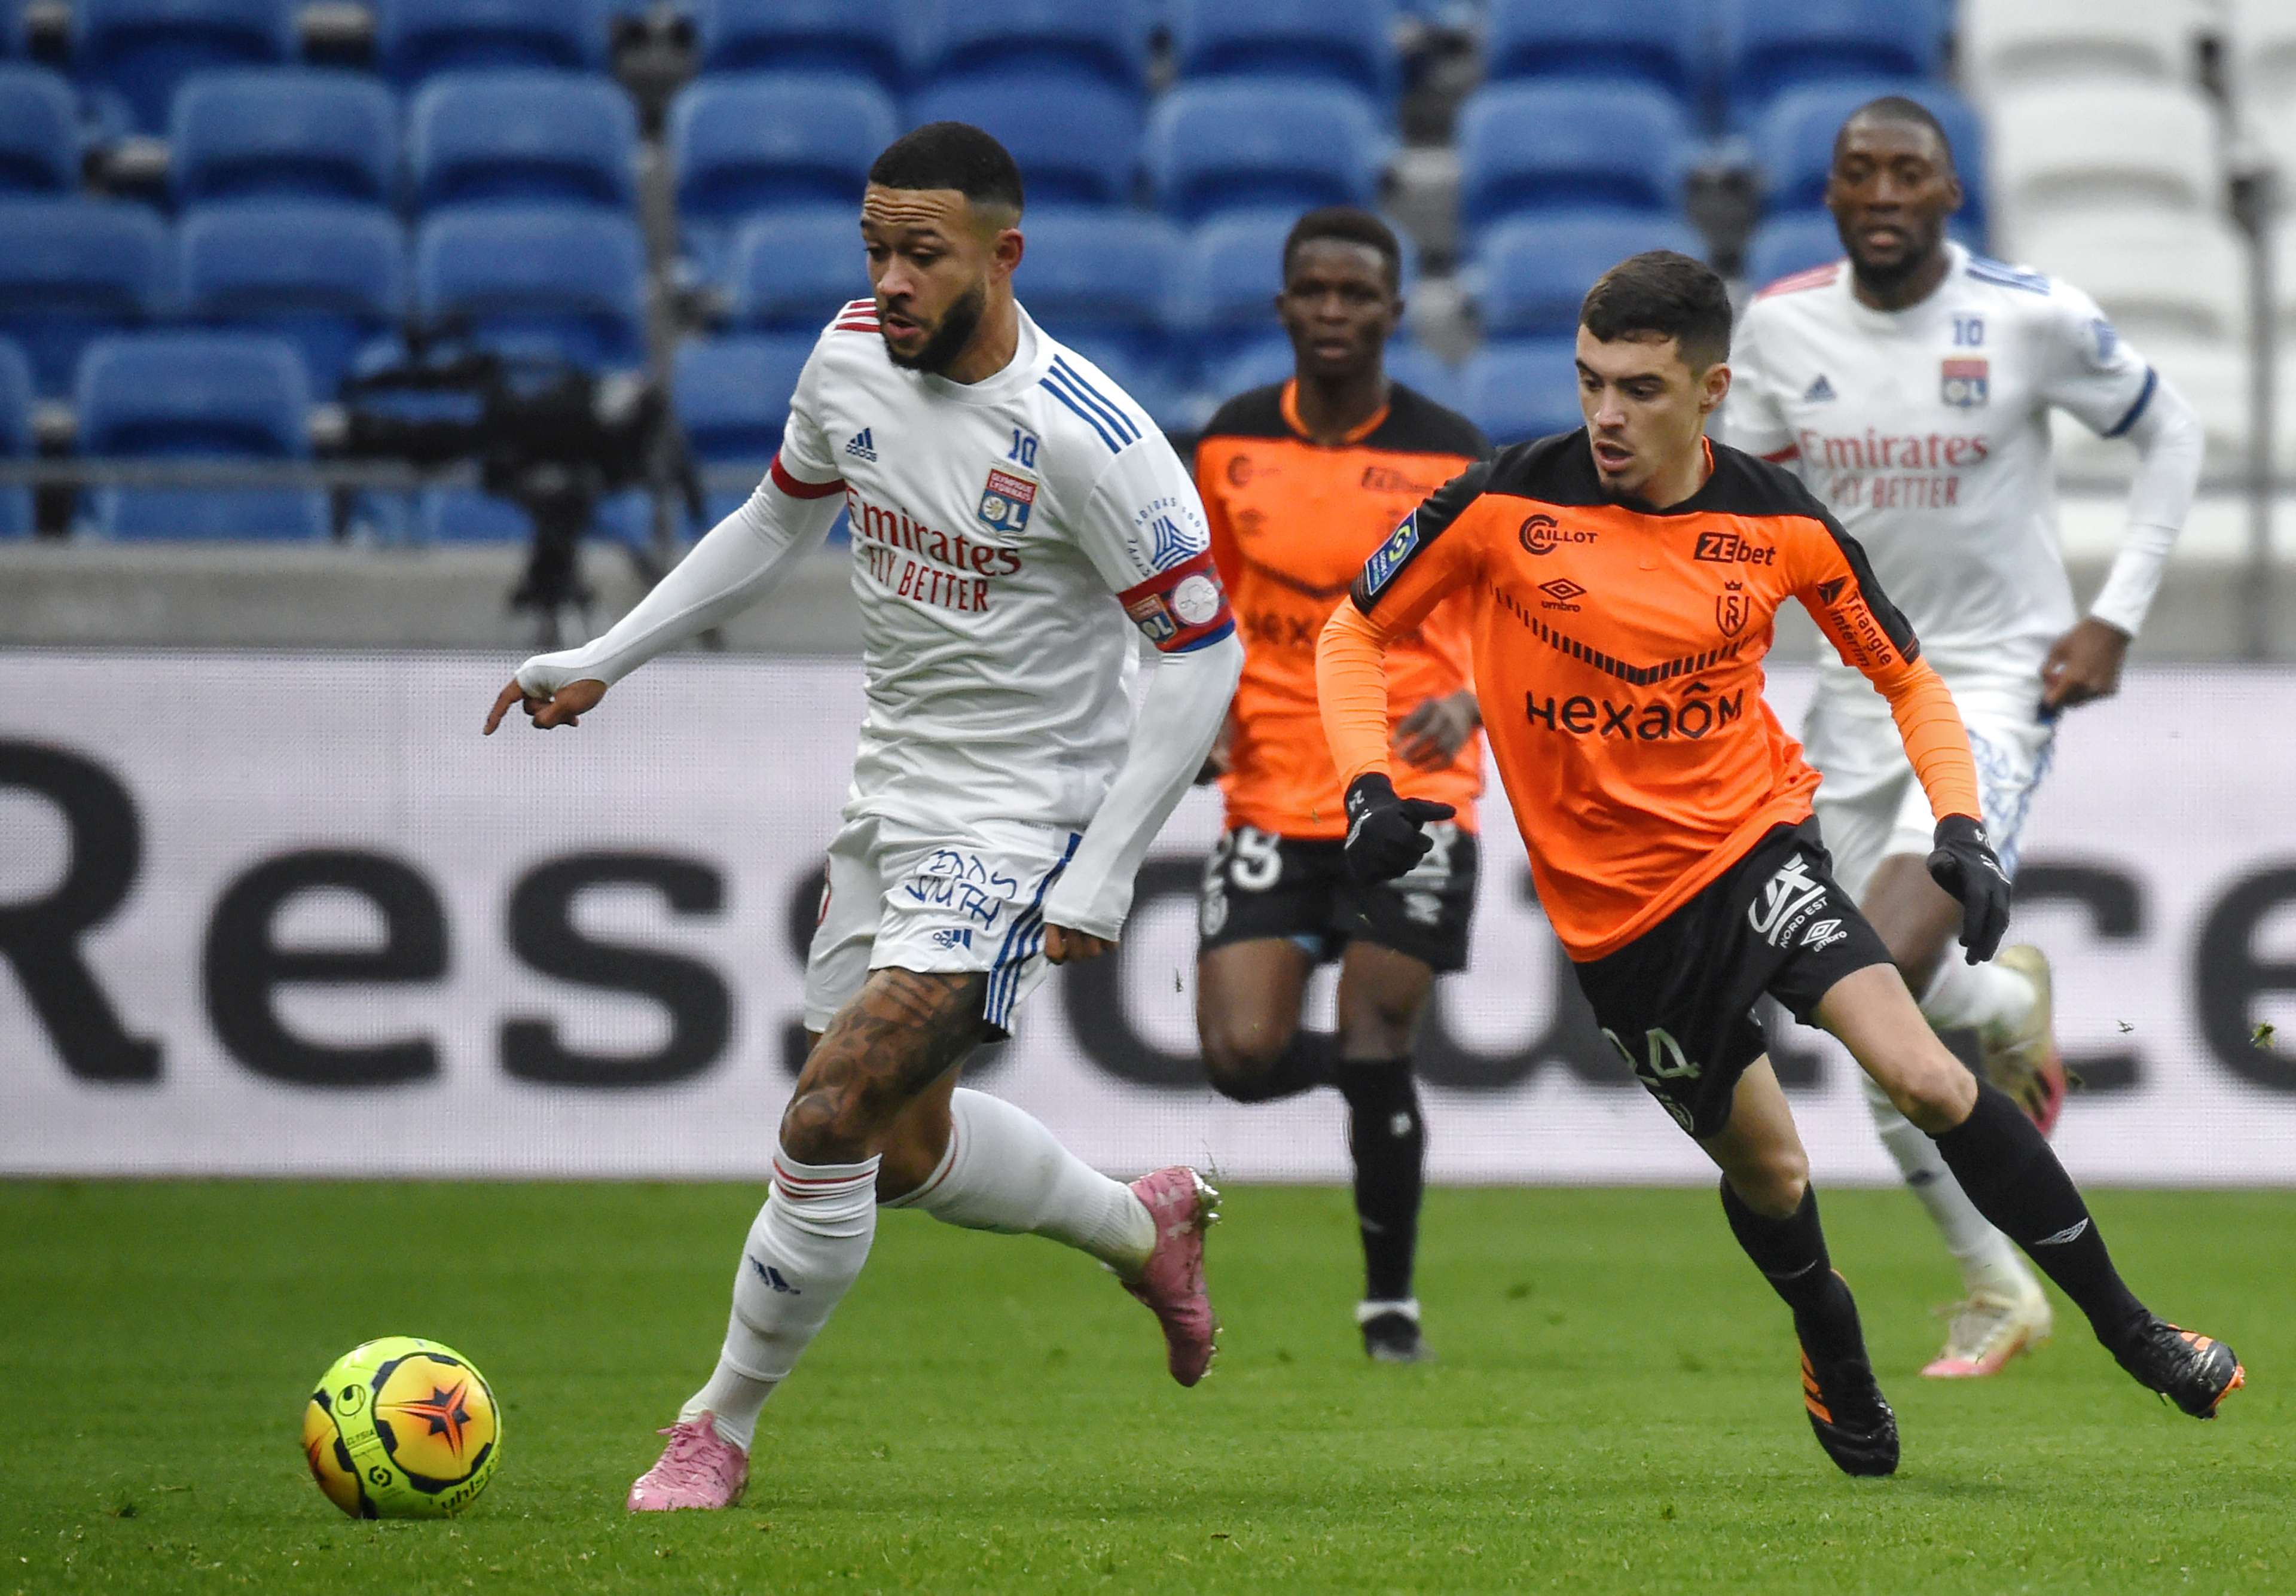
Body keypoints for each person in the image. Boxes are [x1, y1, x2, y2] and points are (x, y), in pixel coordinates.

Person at [1315, 250, 2242, 1476]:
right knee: (1773, 1170)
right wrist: (1367, 784)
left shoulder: (1780, 523)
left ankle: (2135, 1330)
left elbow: (1908, 677)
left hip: (1755, 849)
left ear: (1712, 390)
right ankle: (1827, 1330)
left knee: (1926, 1075)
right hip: (1619, 924)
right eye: (1591, 382)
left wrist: (1959, 824)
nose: (1605, 415)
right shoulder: (1499, 502)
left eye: (1640, 388)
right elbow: (1353, 630)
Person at [483, 123, 1245, 1512]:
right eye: (875, 249)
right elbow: (773, 523)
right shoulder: (846, 360)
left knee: (829, 1113)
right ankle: (1143, 1233)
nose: (889, 280)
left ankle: (714, 1428)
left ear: (1004, 257)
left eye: (921, 254)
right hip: (891, 798)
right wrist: (607, 655)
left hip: (1024, 825)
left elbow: (1202, 655)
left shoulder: (1094, 439)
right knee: (894, 1147)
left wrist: (1106, 870)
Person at [1726, 97, 2205, 1379]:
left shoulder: (2031, 316)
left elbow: (2171, 433)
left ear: (1951, 192)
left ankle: (1995, 1024)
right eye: (1860, 172)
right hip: (1851, 692)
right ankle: (2000, 1264)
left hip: (1993, 679)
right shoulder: (1781, 327)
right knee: (1866, 1010)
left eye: (1909, 172)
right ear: (1831, 194)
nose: (1884, 192)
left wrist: (2115, 615)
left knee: (1877, 964)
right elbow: (1729, 509)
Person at [1191, 207, 1489, 1363]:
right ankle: (1378, 1089)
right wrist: (1199, 713)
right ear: (1282, 305)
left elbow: (1518, 613)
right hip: (1271, 786)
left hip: (1410, 787)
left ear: (1394, 312)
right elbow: (1196, 608)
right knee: (1242, 1058)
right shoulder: (1228, 442)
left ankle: (1389, 1306)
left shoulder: (1453, 453)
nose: (1332, 311)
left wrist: (1471, 698)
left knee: (1374, 1021)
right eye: (1312, 290)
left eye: (1355, 293)